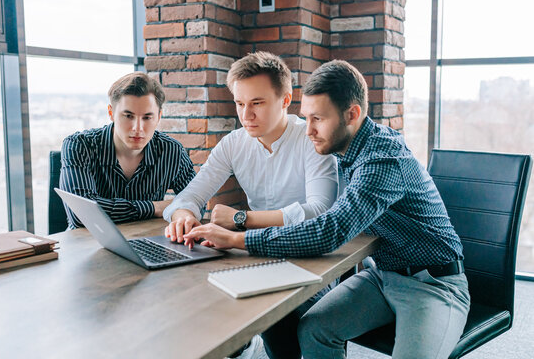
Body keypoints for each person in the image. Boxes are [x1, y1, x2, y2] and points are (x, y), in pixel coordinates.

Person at [181, 60, 471, 359]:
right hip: (382, 276)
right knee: (313, 329)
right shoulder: (348, 150)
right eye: (306, 118)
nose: (309, 131)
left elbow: (329, 230)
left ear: (352, 114)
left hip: (434, 284)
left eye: (317, 119)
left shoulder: (382, 159)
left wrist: (237, 238)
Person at [163, 52, 338, 359]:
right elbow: (189, 195)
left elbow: (320, 212)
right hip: (255, 252)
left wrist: (242, 219)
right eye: (240, 104)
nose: (247, 115)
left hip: (312, 258)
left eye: (257, 103)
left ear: (285, 100)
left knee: (277, 317)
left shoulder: (312, 138)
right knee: (194, 297)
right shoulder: (234, 143)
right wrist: (183, 215)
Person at [60, 72, 195, 229]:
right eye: (128, 116)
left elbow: (195, 201)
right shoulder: (79, 145)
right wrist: (155, 207)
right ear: (111, 113)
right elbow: (81, 214)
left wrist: (182, 211)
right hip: (87, 245)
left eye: (147, 117)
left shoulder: (171, 151)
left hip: (147, 243)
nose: (137, 128)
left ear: (158, 116)